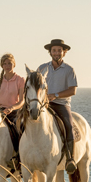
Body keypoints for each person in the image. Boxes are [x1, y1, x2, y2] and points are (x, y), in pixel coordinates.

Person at [38, 39, 78, 174]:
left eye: (59, 50)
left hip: (61, 104)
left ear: (64, 53)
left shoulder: (69, 70)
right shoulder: (42, 68)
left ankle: (70, 158)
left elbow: (73, 91)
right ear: (50, 52)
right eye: (54, 50)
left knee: (68, 125)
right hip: (43, 103)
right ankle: (20, 156)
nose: (56, 53)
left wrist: (55, 95)